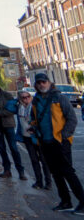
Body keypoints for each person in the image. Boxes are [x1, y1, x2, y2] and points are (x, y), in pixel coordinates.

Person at [32, 72, 84, 213]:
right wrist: (34, 129)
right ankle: (66, 201)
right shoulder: (35, 101)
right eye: (39, 83)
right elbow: (34, 119)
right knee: (55, 173)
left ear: (49, 83)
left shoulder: (59, 97)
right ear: (36, 85)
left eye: (44, 82)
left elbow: (72, 119)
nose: (42, 84)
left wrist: (64, 136)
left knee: (68, 172)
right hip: (45, 142)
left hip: (60, 142)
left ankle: (82, 201)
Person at [16, 89, 52, 190]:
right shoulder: (19, 107)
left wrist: (35, 129)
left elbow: (41, 119)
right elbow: (8, 107)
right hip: (26, 137)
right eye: (23, 97)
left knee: (44, 160)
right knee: (34, 160)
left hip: (37, 136)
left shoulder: (34, 107)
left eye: (28, 96)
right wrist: (16, 101)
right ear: (20, 99)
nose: (26, 99)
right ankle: (39, 181)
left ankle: (48, 182)